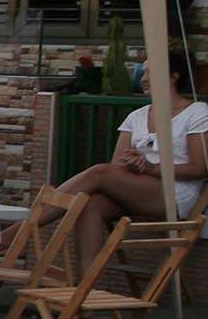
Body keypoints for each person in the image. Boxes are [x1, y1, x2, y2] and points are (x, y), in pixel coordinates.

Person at [45, 57, 208, 268]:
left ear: (174, 77)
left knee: (99, 173)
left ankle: (24, 227)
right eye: (142, 73)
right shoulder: (136, 116)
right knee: (91, 203)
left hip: (176, 192)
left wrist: (151, 168)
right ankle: (85, 289)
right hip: (137, 189)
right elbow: (117, 166)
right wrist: (132, 162)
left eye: (149, 72)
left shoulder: (197, 112)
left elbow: (199, 168)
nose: (143, 78)